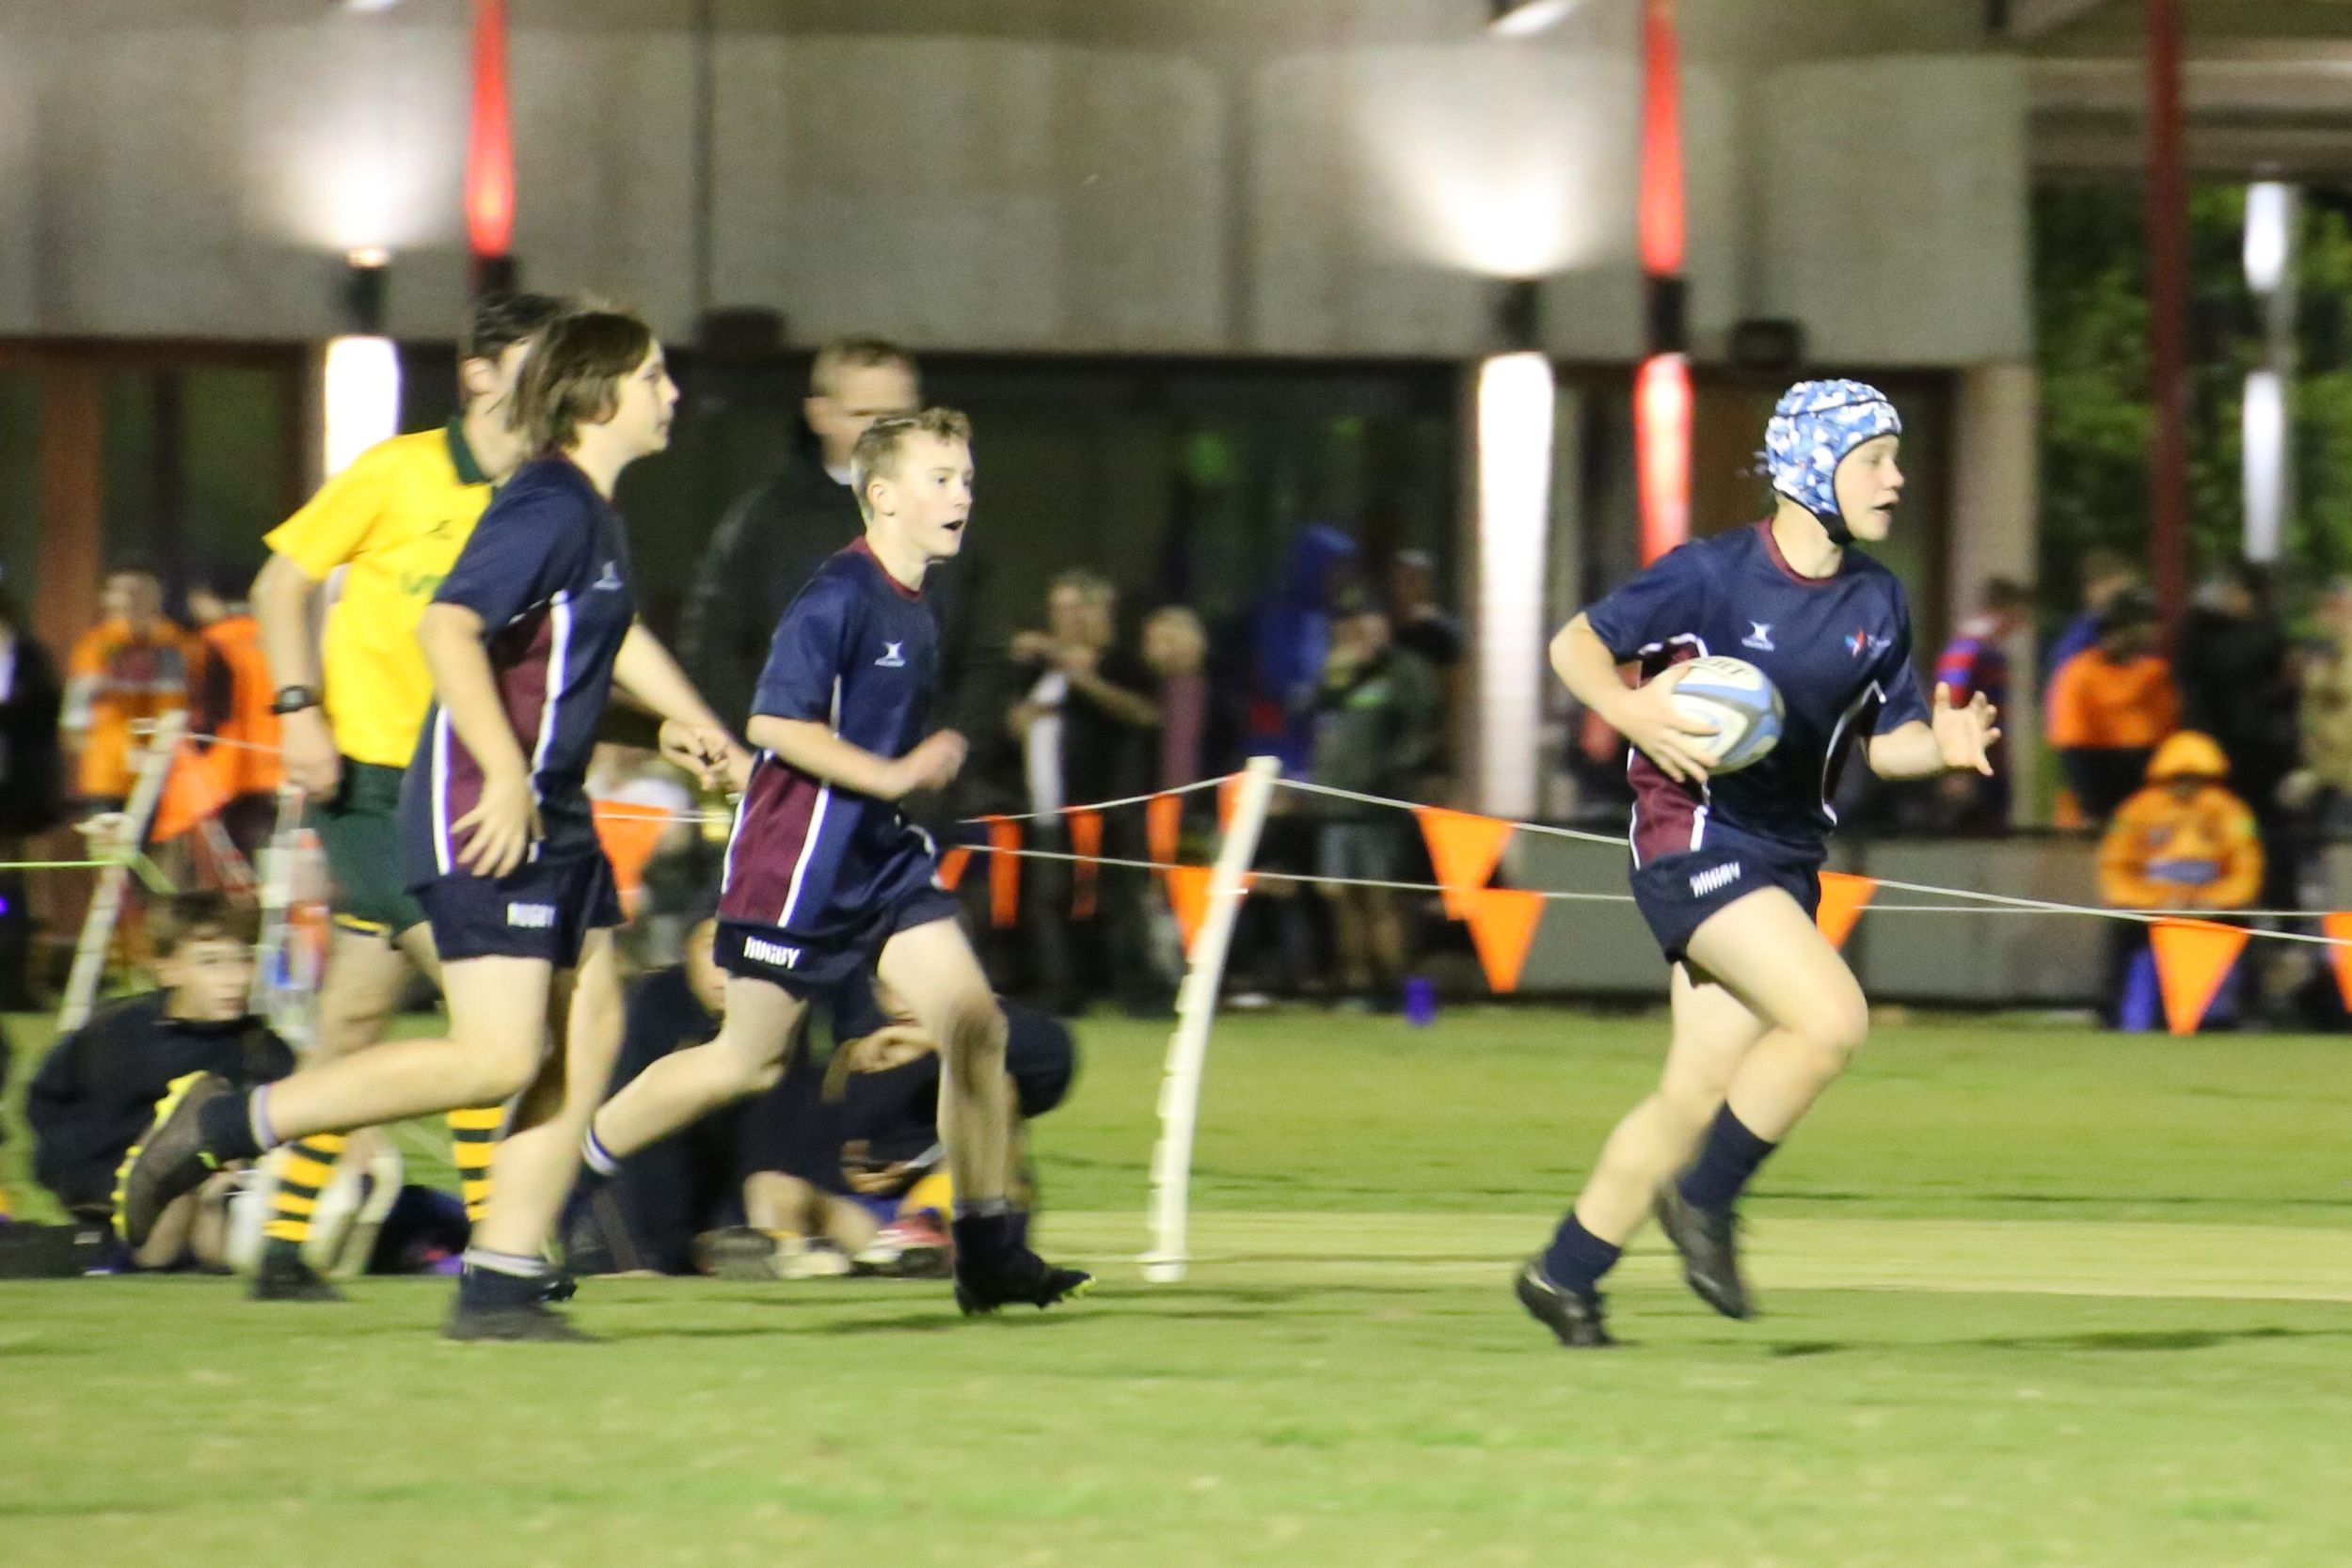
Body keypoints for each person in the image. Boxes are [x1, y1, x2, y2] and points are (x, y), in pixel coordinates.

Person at [115, 309, 745, 1340]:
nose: (671, 394)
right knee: (495, 1054)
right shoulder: (548, 501)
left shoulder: (587, 507)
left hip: (552, 805)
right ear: (598, 397)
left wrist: (693, 723)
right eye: (653, 377)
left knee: (588, 1026)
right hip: (475, 803)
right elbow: (446, 626)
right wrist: (498, 771)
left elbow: (608, 634)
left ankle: (499, 1276)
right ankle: (229, 1121)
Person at [1516, 380, 1998, 1348]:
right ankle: (1704, 1199)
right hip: (1692, 839)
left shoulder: (1878, 598)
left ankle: (1563, 1272)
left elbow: (1888, 742)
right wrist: (1631, 710)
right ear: (1812, 467)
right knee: (1831, 1019)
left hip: (1784, 859)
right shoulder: (1711, 574)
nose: (1896, 480)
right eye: (1874, 460)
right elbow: (1576, 645)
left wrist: (1940, 746)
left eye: (1896, 459)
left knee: (1697, 1092)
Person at [577, 407, 1091, 1315]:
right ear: (880, 495)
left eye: (967, 479)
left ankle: (987, 1252)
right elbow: (775, 722)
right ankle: (565, 1179)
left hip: (879, 860)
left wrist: (905, 779)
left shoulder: (917, 601)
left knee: (974, 1025)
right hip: (797, 867)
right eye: (941, 479)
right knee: (741, 1061)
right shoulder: (839, 594)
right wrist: (892, 772)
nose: (962, 496)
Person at [236, 290, 570, 1302]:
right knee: (489, 1015)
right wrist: (298, 709)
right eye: (543, 361)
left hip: (475, 787)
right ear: (479, 374)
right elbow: (279, 585)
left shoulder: (551, 495)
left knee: (353, 1020)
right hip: (376, 787)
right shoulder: (399, 470)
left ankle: (281, 1250)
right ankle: (503, 1251)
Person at [683, 338, 989, 743]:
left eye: (897, 416)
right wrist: (769, 744)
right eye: (862, 413)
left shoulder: (948, 521)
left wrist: (950, 746)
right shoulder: (765, 521)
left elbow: (984, 655)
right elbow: (712, 644)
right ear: (819, 415)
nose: (880, 430)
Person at [27, 893, 293, 1269]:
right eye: (211, 963)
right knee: (175, 1187)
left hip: (218, 1194)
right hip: (113, 1187)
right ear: (168, 969)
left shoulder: (260, 1047)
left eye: (243, 960)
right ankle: (130, 1254)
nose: (233, 979)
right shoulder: (116, 1033)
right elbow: (53, 1108)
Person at [1006, 570, 1158, 1013]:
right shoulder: (1038, 671)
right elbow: (1013, 724)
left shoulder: (1121, 663)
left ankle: (1137, 989)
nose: (1066, 619)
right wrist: (1025, 715)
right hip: (1046, 805)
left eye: (1075, 608)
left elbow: (1144, 714)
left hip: (1107, 803)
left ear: (1100, 610)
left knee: (1119, 897)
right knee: (1049, 899)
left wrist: (1081, 679)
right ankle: (1061, 989)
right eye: (1059, 610)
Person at [1309, 599, 1440, 1005]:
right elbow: (1312, 715)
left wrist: (1390, 773)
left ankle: (1406, 995)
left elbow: (1423, 728)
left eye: (1370, 628)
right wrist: (1335, 676)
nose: (1361, 637)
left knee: (1384, 900)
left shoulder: (1404, 671)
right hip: (1334, 805)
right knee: (1340, 898)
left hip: (1378, 807)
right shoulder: (1338, 674)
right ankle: (1358, 986)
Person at [2097, 731, 2263, 1031]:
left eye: (2197, 777)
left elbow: (2247, 868)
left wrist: (2214, 902)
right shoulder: (2137, 810)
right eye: (2178, 777)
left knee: (2245, 934)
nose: (2187, 785)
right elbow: (2115, 868)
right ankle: (2129, 1018)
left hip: (2214, 912)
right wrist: (2154, 904)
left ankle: (2231, 1017)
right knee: (2124, 936)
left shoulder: (2229, 810)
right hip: (2150, 913)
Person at [61, 565, 198, 813]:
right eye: (120, 591)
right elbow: (76, 709)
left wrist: (163, 747)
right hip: (106, 770)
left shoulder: (173, 644)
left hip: (160, 767)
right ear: (106, 598)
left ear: (157, 596)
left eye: (139, 592)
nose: (130, 600)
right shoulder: (95, 645)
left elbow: (177, 704)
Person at [2045, 589, 2178, 826]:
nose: (2152, 631)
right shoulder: (2080, 673)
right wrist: (2090, 805)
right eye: (2144, 622)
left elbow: (2166, 730)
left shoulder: (2154, 672)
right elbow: (2073, 742)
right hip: (2097, 774)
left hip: (2146, 779)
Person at [184, 562, 283, 858]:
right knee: (278, 856)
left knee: (234, 861)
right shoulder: (275, 635)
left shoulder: (212, 641)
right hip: (282, 763)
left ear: (207, 598)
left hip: (230, 767)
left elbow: (206, 706)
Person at [1929, 577, 2031, 832]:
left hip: (1990, 757)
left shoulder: (1989, 650)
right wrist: (1957, 767)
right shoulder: (1970, 650)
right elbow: (1951, 703)